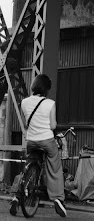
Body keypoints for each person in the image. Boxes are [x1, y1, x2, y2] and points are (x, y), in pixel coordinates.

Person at [10, 74, 67, 218]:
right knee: (54, 167)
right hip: (47, 141)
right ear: (47, 89)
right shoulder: (50, 104)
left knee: (27, 167)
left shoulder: (24, 102)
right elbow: (53, 125)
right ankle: (58, 199)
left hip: (31, 141)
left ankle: (17, 197)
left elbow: (26, 122)